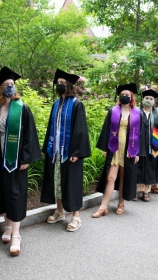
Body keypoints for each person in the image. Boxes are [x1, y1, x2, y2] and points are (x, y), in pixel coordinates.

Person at [0, 66, 41, 256]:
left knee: (15, 194)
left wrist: (26, 158)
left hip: (15, 160)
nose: (10, 87)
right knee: (2, 192)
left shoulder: (22, 108)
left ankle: (16, 234)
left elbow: (30, 135)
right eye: (7, 85)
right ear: (0, 88)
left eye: (12, 84)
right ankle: (7, 227)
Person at [41, 69, 91, 232]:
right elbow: (51, 127)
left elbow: (81, 130)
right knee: (57, 181)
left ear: (70, 86)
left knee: (72, 183)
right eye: (59, 83)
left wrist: (77, 152)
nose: (61, 86)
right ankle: (60, 211)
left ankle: (76, 216)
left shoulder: (76, 104)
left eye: (64, 83)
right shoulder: (56, 104)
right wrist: (46, 148)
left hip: (70, 153)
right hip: (55, 151)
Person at [92, 83, 140, 217]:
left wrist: (138, 153)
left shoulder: (137, 113)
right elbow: (106, 129)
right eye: (122, 95)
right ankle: (103, 207)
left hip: (129, 149)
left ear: (131, 97)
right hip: (115, 148)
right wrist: (104, 148)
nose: (125, 97)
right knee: (110, 177)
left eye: (127, 95)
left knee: (123, 178)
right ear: (119, 96)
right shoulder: (113, 111)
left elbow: (141, 134)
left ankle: (121, 204)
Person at [136, 89, 158, 202]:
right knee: (137, 167)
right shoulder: (136, 112)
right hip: (138, 145)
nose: (148, 100)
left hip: (153, 146)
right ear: (142, 99)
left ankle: (146, 192)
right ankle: (135, 192)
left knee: (150, 167)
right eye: (146, 98)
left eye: (151, 99)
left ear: (154, 100)